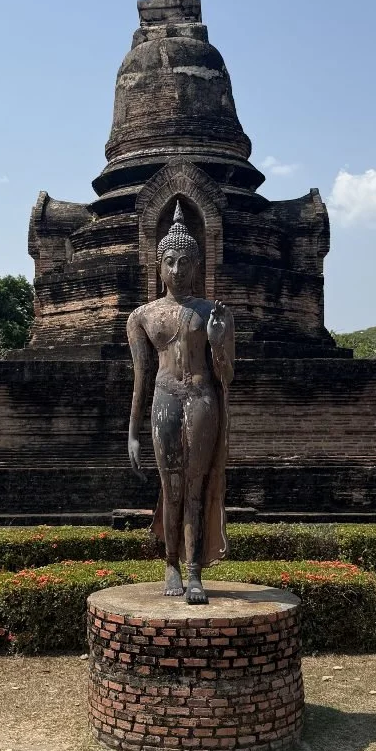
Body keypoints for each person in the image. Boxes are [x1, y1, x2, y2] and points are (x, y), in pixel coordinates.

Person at [126, 201, 235, 604]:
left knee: (195, 487)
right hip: (164, 398)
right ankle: (169, 564)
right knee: (170, 488)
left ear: (197, 264)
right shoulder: (142, 316)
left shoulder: (213, 312)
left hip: (203, 398)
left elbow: (225, 374)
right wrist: (133, 433)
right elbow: (140, 377)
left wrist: (219, 337)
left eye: (184, 262)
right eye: (169, 262)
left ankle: (193, 572)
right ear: (159, 265)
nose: (176, 270)